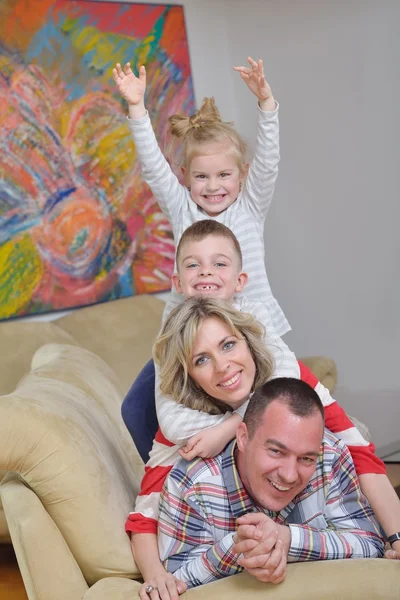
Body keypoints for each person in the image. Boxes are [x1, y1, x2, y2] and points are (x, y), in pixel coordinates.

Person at [127, 294, 399, 599]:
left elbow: (361, 456)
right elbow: (149, 520)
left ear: (249, 345)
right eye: (201, 359)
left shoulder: (323, 439)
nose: (223, 366)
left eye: (228, 345)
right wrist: (243, 545)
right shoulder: (184, 451)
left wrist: (288, 539)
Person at [112, 56, 289, 337]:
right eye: (201, 177)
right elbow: (154, 169)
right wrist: (136, 108)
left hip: (248, 322)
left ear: (242, 175)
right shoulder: (182, 209)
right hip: (192, 325)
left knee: (283, 378)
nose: (212, 187)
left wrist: (267, 105)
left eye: (223, 175)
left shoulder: (250, 207)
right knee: (160, 379)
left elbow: (267, 162)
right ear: (185, 175)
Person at [158, 376, 385, 590]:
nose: (289, 475)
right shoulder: (191, 485)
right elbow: (175, 581)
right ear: (243, 437)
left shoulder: (329, 454)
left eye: (306, 458)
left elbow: (371, 544)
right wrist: (242, 546)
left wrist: (288, 540)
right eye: (276, 451)